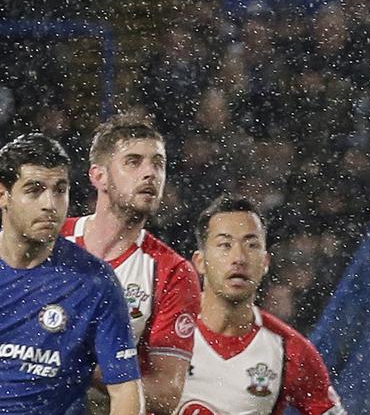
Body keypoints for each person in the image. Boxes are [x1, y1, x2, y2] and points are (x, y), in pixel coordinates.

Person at [62, 114, 200, 415]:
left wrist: (70, 357)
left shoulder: (172, 272)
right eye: (134, 162)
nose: (150, 173)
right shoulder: (53, 240)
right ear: (99, 176)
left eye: (158, 163)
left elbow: (166, 395)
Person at [0, 133, 144, 414]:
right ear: (3, 195)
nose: (50, 204)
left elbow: (126, 391)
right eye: (34, 189)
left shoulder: (94, 282)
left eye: (59, 190)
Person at [175, 194, 346, 414]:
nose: (239, 257)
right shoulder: (161, 331)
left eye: (251, 245)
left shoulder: (288, 350)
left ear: (265, 262)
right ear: (200, 262)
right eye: (225, 245)